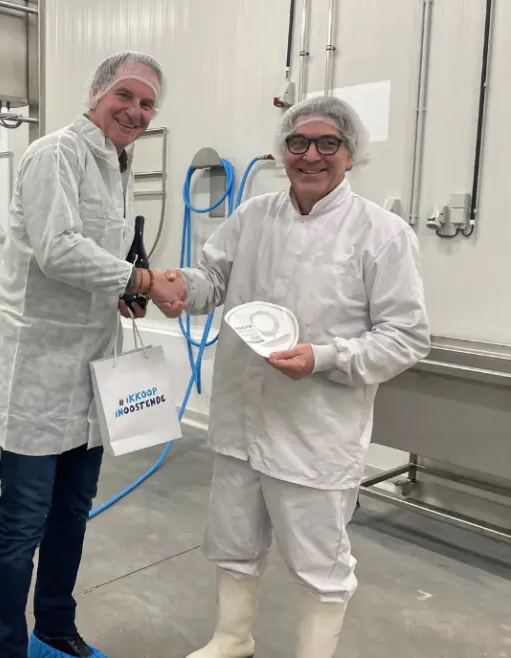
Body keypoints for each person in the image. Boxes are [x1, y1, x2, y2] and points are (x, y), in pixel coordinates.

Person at [154, 96, 431, 658]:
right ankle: (232, 638)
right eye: (298, 142)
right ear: (283, 151)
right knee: (233, 539)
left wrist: (324, 358)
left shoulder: (382, 234)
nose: (311, 155)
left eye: (328, 143)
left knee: (319, 560)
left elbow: (406, 336)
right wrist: (179, 286)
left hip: (315, 431)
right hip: (241, 416)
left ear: (350, 154)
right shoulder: (253, 216)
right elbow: (211, 279)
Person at [0, 51, 183, 658]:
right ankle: (6, 648)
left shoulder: (119, 165)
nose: (136, 111)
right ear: (97, 92)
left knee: (72, 511)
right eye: (125, 96)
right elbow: (59, 250)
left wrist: (120, 291)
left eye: (147, 104)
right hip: (38, 372)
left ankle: (54, 625)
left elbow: (99, 257)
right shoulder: (56, 154)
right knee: (22, 524)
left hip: (91, 367)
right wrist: (142, 281)